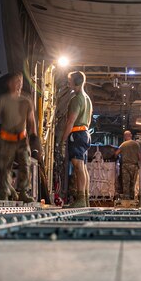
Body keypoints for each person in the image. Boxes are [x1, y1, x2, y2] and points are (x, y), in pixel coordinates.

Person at [0, 72, 36, 202]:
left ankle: (23, 192)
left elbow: (31, 119)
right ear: (9, 84)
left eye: (20, 81)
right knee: (5, 167)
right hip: (6, 139)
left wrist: (34, 135)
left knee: (25, 165)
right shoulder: (3, 99)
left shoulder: (26, 100)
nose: (19, 84)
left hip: (21, 139)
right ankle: (3, 193)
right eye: (16, 81)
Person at [61, 70, 92, 207]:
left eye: (70, 80)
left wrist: (63, 140)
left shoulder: (76, 99)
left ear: (76, 82)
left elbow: (70, 121)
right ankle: (85, 199)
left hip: (77, 134)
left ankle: (80, 200)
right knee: (83, 167)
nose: (68, 83)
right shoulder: (87, 98)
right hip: (85, 133)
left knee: (78, 167)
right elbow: (89, 120)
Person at [117, 129, 141, 204]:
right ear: (131, 135)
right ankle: (133, 199)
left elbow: (116, 153)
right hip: (134, 165)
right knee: (133, 183)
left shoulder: (123, 144)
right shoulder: (136, 144)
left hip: (125, 166)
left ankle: (126, 199)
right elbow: (140, 156)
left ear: (124, 136)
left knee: (125, 183)